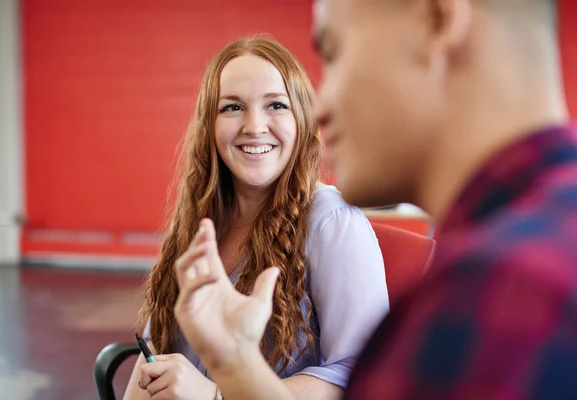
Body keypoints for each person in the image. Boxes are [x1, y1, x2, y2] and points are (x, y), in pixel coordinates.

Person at [168, 0, 577, 399]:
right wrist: (236, 365)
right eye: (232, 108)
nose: (321, 108)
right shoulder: (541, 243)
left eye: (335, 53)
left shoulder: (498, 294)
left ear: (437, 20)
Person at [124, 36, 389, 400]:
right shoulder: (195, 222)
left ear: (301, 118)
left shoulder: (332, 222)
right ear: (209, 126)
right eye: (232, 108)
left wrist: (216, 395)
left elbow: (361, 375)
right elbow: (156, 351)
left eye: (276, 105)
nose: (254, 126)